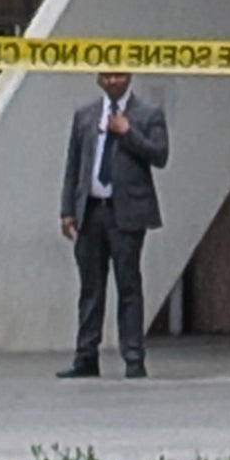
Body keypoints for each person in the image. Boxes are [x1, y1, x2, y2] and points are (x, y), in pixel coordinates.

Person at [55, 68, 170, 379]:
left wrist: (127, 131)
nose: (112, 81)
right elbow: (73, 165)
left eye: (118, 75)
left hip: (127, 212)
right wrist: (68, 209)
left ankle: (134, 358)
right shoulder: (85, 116)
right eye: (106, 76)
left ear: (129, 77)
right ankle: (86, 356)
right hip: (92, 211)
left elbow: (160, 155)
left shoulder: (148, 114)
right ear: (98, 80)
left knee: (128, 284)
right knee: (91, 287)